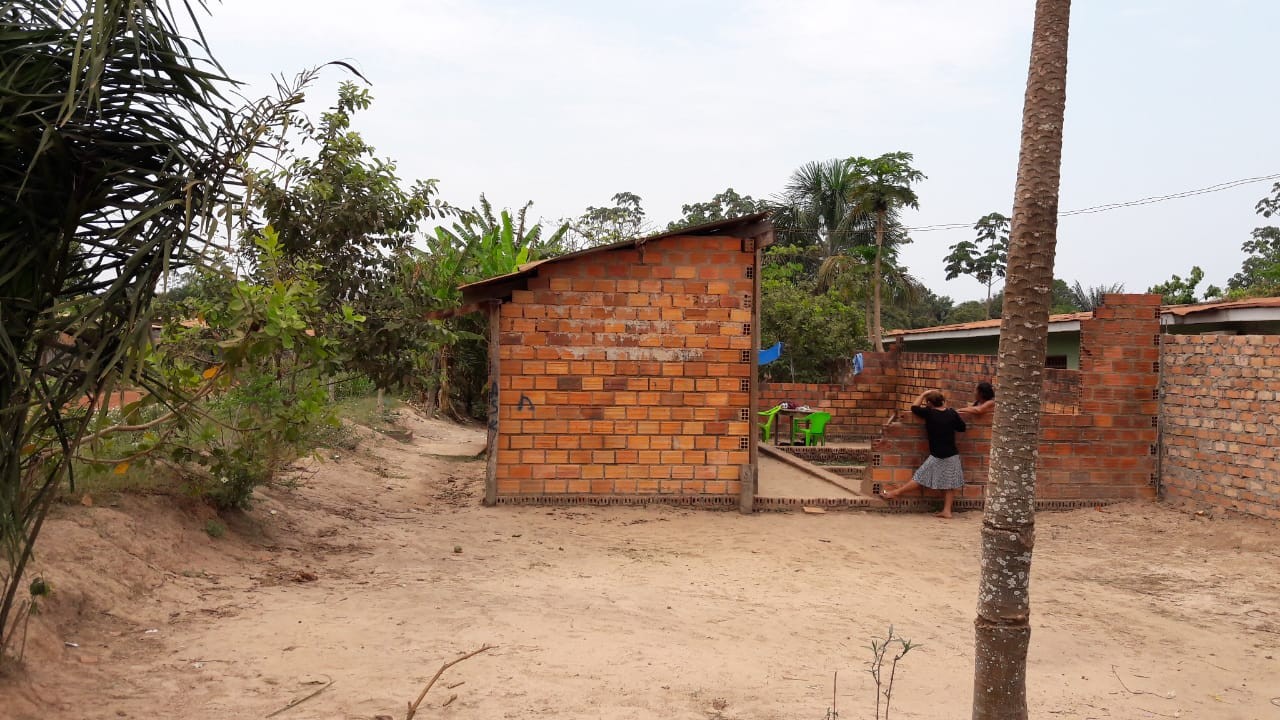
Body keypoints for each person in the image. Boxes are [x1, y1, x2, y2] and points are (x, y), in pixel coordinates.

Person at [879, 389, 967, 518]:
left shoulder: (929, 413)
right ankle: (947, 511)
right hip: (952, 453)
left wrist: (923, 394)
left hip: (937, 454)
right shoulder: (952, 413)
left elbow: (914, 407)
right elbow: (962, 427)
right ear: (942, 401)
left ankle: (895, 493)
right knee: (950, 484)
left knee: (920, 477)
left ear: (930, 403)